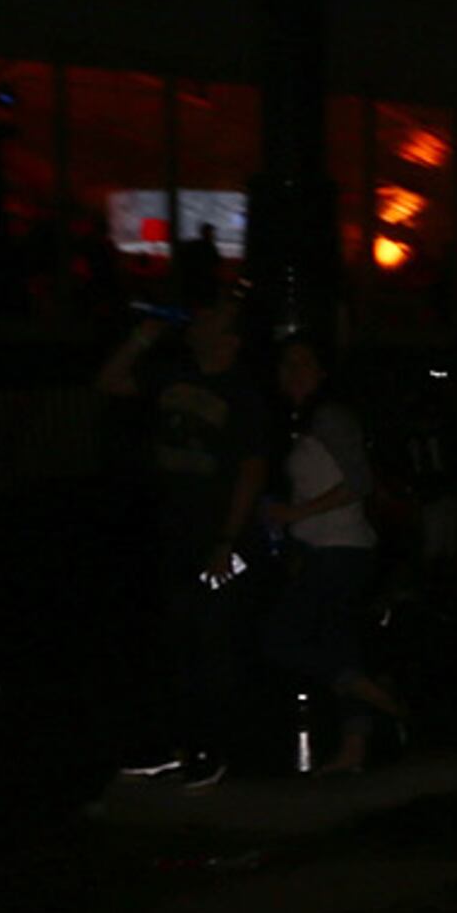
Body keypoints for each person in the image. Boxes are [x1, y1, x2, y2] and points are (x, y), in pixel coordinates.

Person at [96, 304, 273, 790]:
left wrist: (226, 540)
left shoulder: (242, 394)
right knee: (175, 644)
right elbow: (110, 382)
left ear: (229, 337)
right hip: (174, 535)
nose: (197, 325)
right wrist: (140, 339)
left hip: (219, 541)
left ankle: (215, 751)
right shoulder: (171, 375)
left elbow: (251, 472)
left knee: (214, 644)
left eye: (210, 321)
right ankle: (174, 747)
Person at [261, 339, 405, 775]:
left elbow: (359, 481)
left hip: (342, 550)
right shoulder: (301, 425)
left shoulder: (329, 416)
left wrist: (294, 514)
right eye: (287, 363)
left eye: (304, 362)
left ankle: (373, 693)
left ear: (323, 373)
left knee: (278, 637)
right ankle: (354, 749)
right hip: (327, 550)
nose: (293, 371)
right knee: (339, 645)